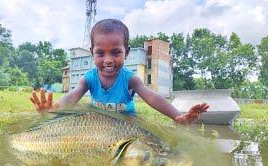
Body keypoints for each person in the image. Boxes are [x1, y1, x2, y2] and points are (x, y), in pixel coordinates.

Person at [30, 19, 209, 125]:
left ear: (127, 52)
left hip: (126, 124)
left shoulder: (131, 79)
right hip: (100, 124)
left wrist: (178, 115)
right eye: (100, 53)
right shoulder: (89, 78)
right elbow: (73, 96)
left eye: (116, 52)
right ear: (92, 52)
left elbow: (152, 97)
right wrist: (54, 109)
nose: (108, 60)